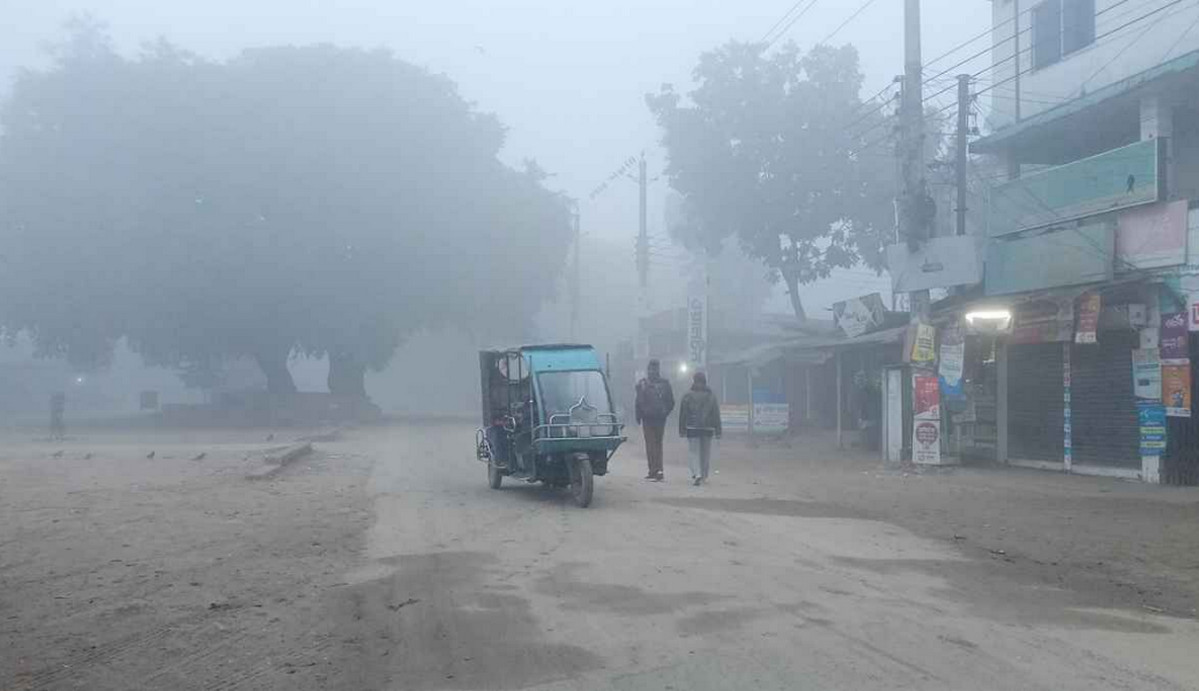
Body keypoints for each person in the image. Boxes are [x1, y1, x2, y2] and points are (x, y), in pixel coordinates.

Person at [678, 371, 721, 486]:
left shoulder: (688, 395)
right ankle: (704, 475)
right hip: (708, 428)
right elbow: (716, 413)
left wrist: (681, 429)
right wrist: (718, 431)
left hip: (692, 427)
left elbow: (683, 413)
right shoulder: (711, 396)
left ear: (694, 381)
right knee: (705, 453)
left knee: (693, 452)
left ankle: (697, 474)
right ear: (705, 381)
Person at [634, 359, 674, 481]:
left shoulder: (643, 384)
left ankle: (654, 470)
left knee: (651, 445)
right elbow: (671, 402)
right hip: (659, 418)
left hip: (648, 418)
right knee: (657, 444)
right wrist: (665, 413)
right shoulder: (665, 383)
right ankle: (657, 470)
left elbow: (638, 402)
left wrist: (638, 416)